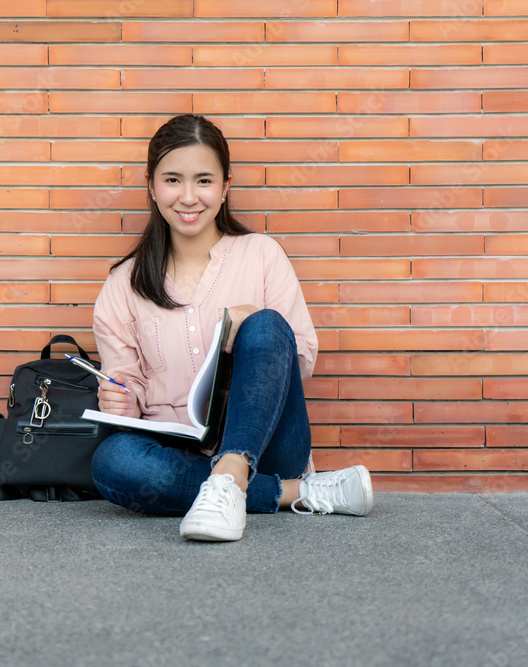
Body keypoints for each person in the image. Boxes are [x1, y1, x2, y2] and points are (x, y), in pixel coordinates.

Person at [90, 114, 374, 542]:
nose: (188, 197)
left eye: (204, 181)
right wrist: (118, 400)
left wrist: (254, 334)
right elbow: (127, 389)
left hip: (271, 446)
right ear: (151, 186)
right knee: (113, 461)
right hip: (177, 453)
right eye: (173, 180)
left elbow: (303, 363)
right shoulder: (123, 285)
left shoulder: (262, 254)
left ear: (225, 187)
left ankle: (235, 470)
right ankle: (292, 492)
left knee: (265, 324)